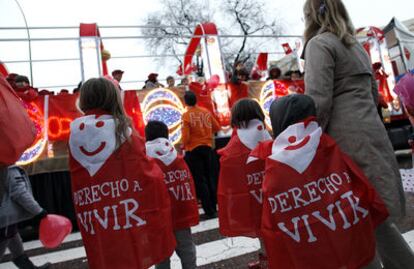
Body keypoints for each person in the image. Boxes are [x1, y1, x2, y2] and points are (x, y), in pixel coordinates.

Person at [302, 0, 414, 268]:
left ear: (310, 15)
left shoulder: (319, 45)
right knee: (372, 214)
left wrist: (305, 141)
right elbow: (374, 95)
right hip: (372, 132)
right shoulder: (355, 46)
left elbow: (318, 101)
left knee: (356, 217)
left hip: (345, 139)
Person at [253, 94, 389, 269]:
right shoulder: (327, 145)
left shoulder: (274, 165)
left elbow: (273, 220)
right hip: (352, 242)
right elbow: (358, 182)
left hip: (310, 253)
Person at [68, 78, 175, 269]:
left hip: (96, 216)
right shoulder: (123, 131)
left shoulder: (75, 133)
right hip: (127, 215)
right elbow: (146, 173)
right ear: (114, 98)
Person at [217, 99, 271, 268]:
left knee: (262, 233)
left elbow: (228, 174)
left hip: (252, 200)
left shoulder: (234, 146)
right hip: (273, 196)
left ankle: (267, 262)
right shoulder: (269, 137)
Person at [145, 121, 199, 269]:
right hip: (180, 213)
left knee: (161, 254)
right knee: (187, 249)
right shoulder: (176, 156)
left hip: (157, 216)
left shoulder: (144, 159)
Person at [0, 166, 50, 269]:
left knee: (15, 242)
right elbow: (19, 193)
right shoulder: (10, 169)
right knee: (4, 241)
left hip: (5, 217)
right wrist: (38, 211)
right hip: (4, 218)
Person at [181, 91, 221, 219]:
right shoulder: (205, 112)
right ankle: (214, 206)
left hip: (193, 149)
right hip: (208, 148)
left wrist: (183, 144)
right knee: (211, 177)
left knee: (200, 180)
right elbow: (217, 127)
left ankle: (208, 210)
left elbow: (186, 137)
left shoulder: (186, 115)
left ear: (185, 102)